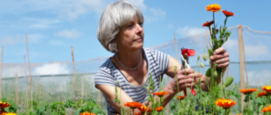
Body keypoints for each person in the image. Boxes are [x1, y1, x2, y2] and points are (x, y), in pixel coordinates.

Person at [94, 1, 230, 115]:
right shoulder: (106, 74)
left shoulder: (156, 58)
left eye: (140, 23)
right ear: (114, 35)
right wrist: (171, 88)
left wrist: (217, 70)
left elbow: (205, 85)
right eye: (130, 26)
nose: (140, 29)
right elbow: (135, 112)